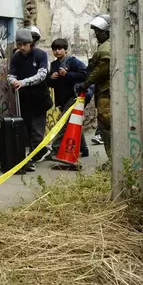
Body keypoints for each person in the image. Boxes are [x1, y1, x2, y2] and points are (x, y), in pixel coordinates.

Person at [8, 29, 52, 171]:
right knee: (26, 129)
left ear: (30, 43)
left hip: (40, 99)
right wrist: (13, 81)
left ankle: (33, 157)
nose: (21, 47)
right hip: (24, 100)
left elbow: (42, 75)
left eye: (24, 44)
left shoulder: (41, 55)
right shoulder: (16, 57)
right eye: (19, 44)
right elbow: (11, 75)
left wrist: (23, 82)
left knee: (37, 130)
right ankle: (37, 153)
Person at [76, 14, 112, 169]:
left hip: (106, 94)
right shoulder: (107, 46)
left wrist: (86, 83)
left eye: (98, 31)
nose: (96, 34)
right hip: (105, 92)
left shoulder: (106, 48)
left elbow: (101, 70)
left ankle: (114, 160)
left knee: (107, 127)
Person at [47, 38, 89, 159]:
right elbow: (50, 84)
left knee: (63, 123)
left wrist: (67, 74)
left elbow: (84, 75)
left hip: (74, 97)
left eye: (59, 49)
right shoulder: (54, 64)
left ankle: (55, 149)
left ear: (65, 50)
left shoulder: (72, 61)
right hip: (62, 99)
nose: (57, 51)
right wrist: (52, 78)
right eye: (54, 49)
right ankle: (83, 148)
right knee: (72, 121)